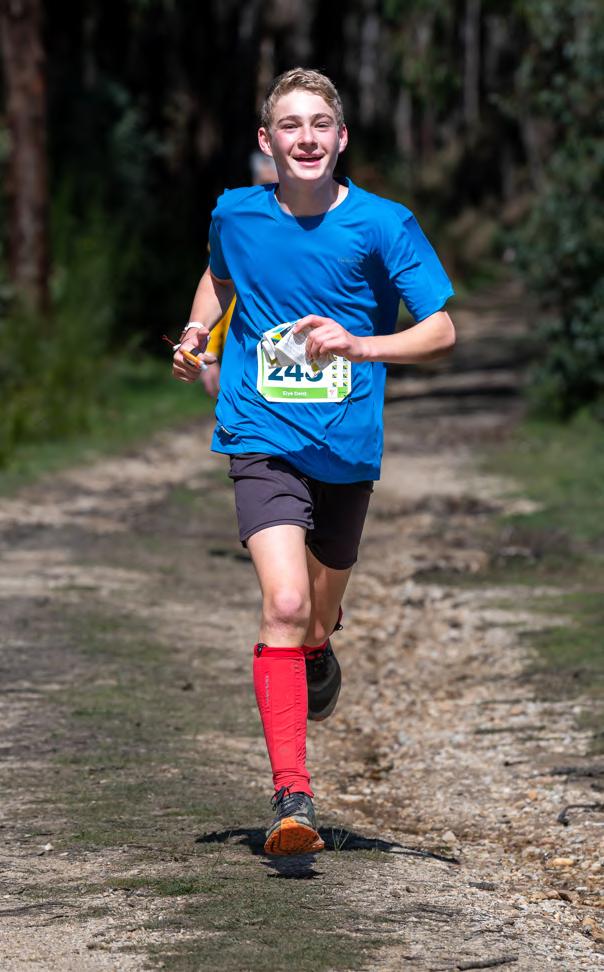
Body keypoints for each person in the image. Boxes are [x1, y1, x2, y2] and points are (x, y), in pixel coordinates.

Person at [173, 68, 455, 856]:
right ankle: (291, 797)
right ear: (267, 141)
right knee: (286, 603)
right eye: (290, 125)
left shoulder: (383, 224)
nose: (306, 138)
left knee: (316, 618)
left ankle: (320, 648)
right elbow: (218, 277)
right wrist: (198, 335)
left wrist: (361, 344)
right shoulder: (236, 212)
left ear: (341, 137)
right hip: (259, 435)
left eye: (320, 124)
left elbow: (440, 331)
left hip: (346, 446)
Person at [200, 152, 278, 398]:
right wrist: (209, 352)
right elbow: (219, 289)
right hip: (244, 349)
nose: (270, 190)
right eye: (264, 183)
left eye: (276, 183)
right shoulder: (235, 225)